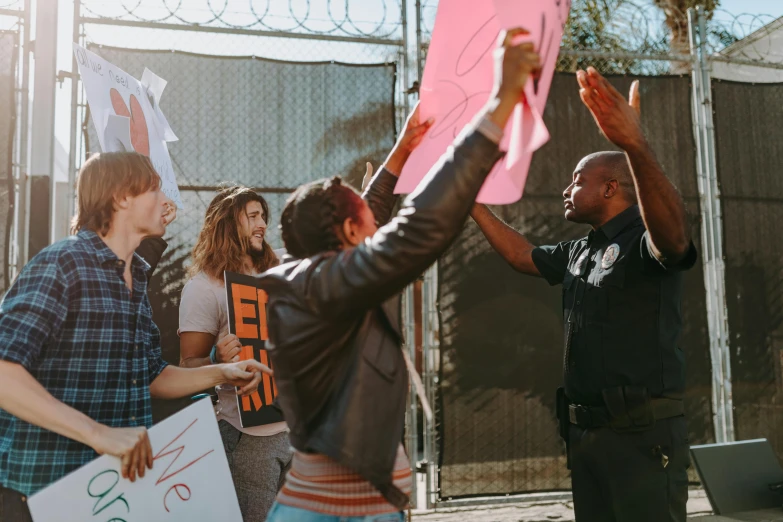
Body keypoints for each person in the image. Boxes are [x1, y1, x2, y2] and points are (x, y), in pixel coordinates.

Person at [260, 28, 541, 521]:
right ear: (350, 233)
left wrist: (403, 150)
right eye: (372, 226)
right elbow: (416, 230)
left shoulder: (315, 281)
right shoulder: (325, 285)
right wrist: (497, 105)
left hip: (369, 509)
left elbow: (365, 217)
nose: (380, 225)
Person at [470, 68, 696, 522]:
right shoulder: (580, 248)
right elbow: (523, 256)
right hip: (588, 437)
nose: (566, 189)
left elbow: (673, 240)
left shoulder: (643, 238)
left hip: (642, 437)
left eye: (577, 180)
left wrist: (635, 146)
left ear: (611, 188)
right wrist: (470, 203)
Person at [0, 152, 271, 522]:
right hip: (41, 493)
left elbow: (152, 377)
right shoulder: (63, 262)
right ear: (122, 198)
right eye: (156, 189)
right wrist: (99, 434)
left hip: (108, 494)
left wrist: (223, 373)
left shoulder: (136, 278)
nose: (167, 200)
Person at [179, 186, 289, 521]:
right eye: (253, 216)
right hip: (247, 436)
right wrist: (217, 360)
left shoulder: (279, 269)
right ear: (229, 222)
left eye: (263, 217)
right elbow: (187, 365)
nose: (262, 225)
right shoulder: (203, 289)